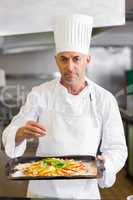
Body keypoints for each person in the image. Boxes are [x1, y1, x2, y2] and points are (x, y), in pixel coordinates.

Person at [2, 14, 127, 199]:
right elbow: (12, 130)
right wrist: (20, 133)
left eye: (76, 59)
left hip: (85, 190)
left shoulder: (104, 99)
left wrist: (105, 163)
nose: (69, 67)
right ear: (56, 60)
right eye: (64, 59)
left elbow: (117, 147)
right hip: (44, 188)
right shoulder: (39, 93)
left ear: (87, 60)